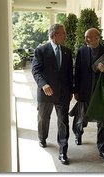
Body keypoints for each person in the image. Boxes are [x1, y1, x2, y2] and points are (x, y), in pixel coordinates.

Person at [74, 28, 104, 162]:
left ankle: (103, 150)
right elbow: (77, 72)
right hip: (85, 91)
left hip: (101, 93)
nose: (86, 39)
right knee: (81, 118)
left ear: (97, 37)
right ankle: (78, 134)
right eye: (86, 37)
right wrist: (76, 90)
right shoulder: (81, 51)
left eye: (89, 37)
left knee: (103, 122)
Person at [31, 24, 73, 165]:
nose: (65, 35)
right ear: (54, 35)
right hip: (46, 93)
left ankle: (63, 151)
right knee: (44, 118)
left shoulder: (67, 51)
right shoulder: (41, 50)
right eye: (63, 33)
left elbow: (69, 74)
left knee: (63, 122)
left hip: (63, 94)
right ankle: (42, 137)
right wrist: (43, 84)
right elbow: (36, 71)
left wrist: (71, 91)